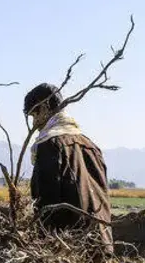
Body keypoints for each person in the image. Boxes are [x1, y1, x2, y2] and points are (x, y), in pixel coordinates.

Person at [25, 82, 114, 254]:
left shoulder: (49, 145)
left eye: (34, 115)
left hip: (70, 249)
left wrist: (44, 247)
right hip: (102, 245)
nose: (34, 124)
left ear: (44, 108)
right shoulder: (91, 145)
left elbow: (46, 205)